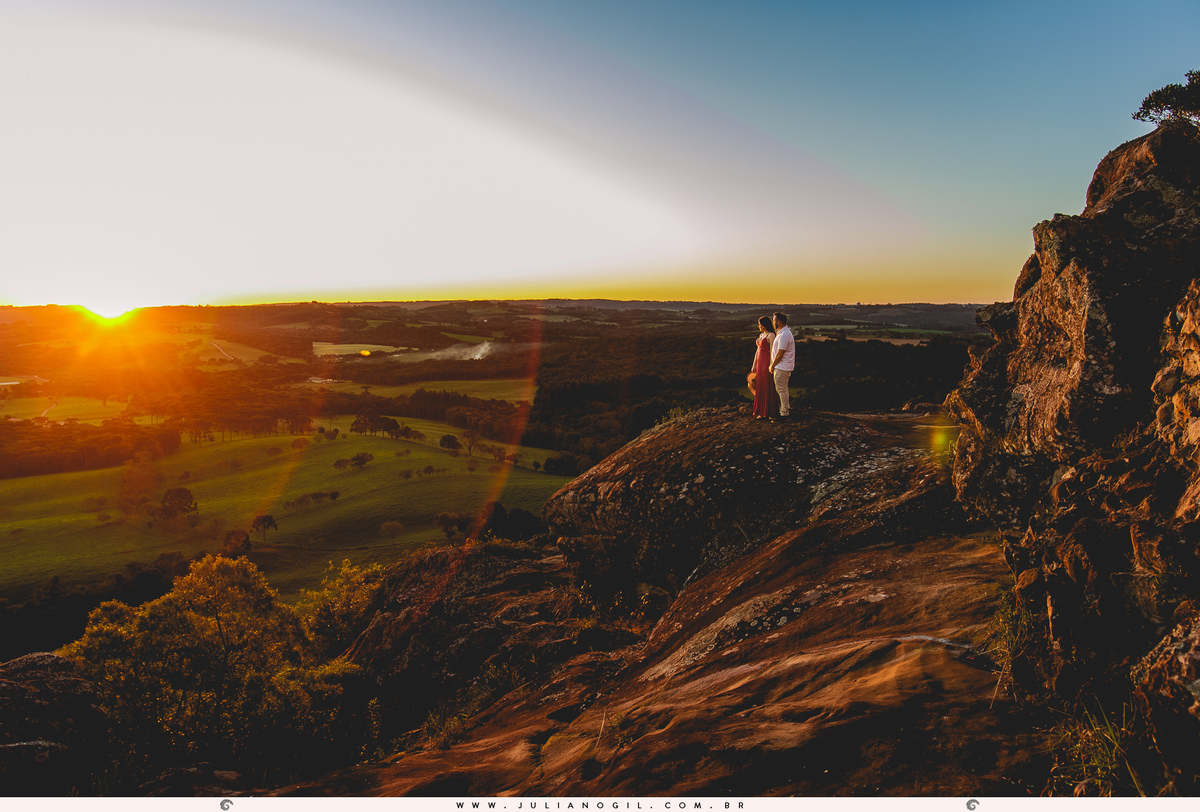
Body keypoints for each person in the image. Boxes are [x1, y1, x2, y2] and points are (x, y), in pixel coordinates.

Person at [749, 316, 780, 420]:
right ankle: (761, 411)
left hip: (767, 363)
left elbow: (773, 352)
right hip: (760, 363)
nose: (758, 326)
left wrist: (771, 366)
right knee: (760, 386)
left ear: (764, 324)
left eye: (759, 324)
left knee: (767, 386)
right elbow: (757, 351)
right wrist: (754, 365)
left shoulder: (771, 335)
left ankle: (769, 412)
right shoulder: (761, 335)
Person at [768, 311, 795, 422]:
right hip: (783, 366)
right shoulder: (783, 333)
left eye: (774, 320)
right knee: (783, 389)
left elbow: (780, 353)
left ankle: (784, 414)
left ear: (778, 321)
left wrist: (772, 365)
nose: (773, 322)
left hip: (782, 366)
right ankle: (785, 409)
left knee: (781, 389)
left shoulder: (784, 335)